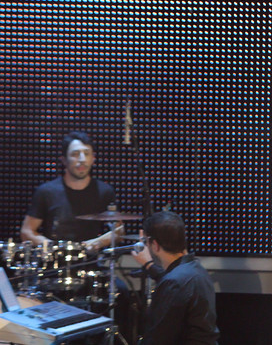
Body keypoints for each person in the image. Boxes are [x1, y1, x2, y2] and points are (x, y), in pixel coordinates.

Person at [20, 131, 123, 249]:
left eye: (86, 154)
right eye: (75, 154)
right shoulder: (46, 191)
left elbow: (119, 231)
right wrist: (52, 247)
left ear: (93, 158)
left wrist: (96, 243)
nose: (82, 159)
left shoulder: (105, 191)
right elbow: (27, 232)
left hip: (91, 258)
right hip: (55, 258)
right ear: (64, 160)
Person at [131, 211, 219, 345]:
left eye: (146, 242)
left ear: (155, 245)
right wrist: (149, 265)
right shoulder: (197, 270)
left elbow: (160, 338)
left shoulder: (174, 282)